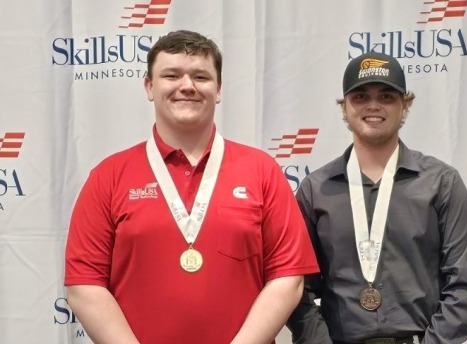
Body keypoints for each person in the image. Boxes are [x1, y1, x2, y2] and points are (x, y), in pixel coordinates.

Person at [64, 30, 319, 344]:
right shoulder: (109, 176)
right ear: (149, 86)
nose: (187, 86)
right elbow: (84, 284)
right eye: (171, 75)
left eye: (201, 76)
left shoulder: (262, 171)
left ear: (219, 89)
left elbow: (288, 277)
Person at [286, 51, 467, 344]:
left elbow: (465, 285)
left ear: (405, 106)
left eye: (387, 97)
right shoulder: (315, 190)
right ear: (345, 107)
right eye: (361, 97)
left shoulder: (441, 183)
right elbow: (295, 286)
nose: (374, 106)